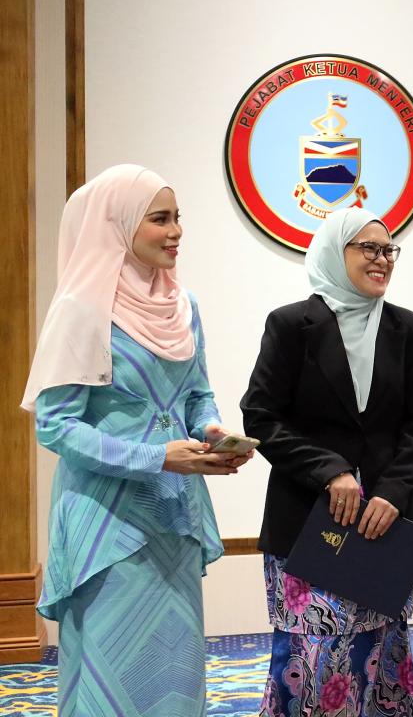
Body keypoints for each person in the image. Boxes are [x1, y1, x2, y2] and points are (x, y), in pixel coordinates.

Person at [21, 164, 249, 716]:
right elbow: (55, 424)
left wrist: (212, 430)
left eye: (177, 218)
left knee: (175, 666)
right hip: (108, 519)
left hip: (174, 511)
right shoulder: (81, 310)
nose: (176, 232)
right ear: (117, 224)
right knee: (114, 664)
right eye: (159, 219)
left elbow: (197, 395)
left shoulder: (183, 306)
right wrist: (155, 457)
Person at [241, 207, 413, 717]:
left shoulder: (407, 328)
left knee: (381, 654)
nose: (382, 259)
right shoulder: (291, 325)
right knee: (311, 660)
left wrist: (392, 492)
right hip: (307, 525)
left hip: (383, 524)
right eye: (368, 248)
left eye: (388, 250)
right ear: (335, 252)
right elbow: (261, 416)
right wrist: (329, 469)